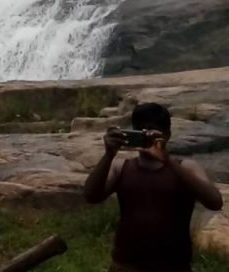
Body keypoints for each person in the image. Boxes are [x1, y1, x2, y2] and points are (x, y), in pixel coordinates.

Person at [84, 103, 223, 272]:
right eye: (140, 130)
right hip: (126, 266)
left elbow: (215, 202)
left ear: (167, 135)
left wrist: (167, 160)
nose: (146, 135)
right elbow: (91, 196)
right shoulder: (121, 167)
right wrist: (108, 155)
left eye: (152, 130)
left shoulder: (187, 167)